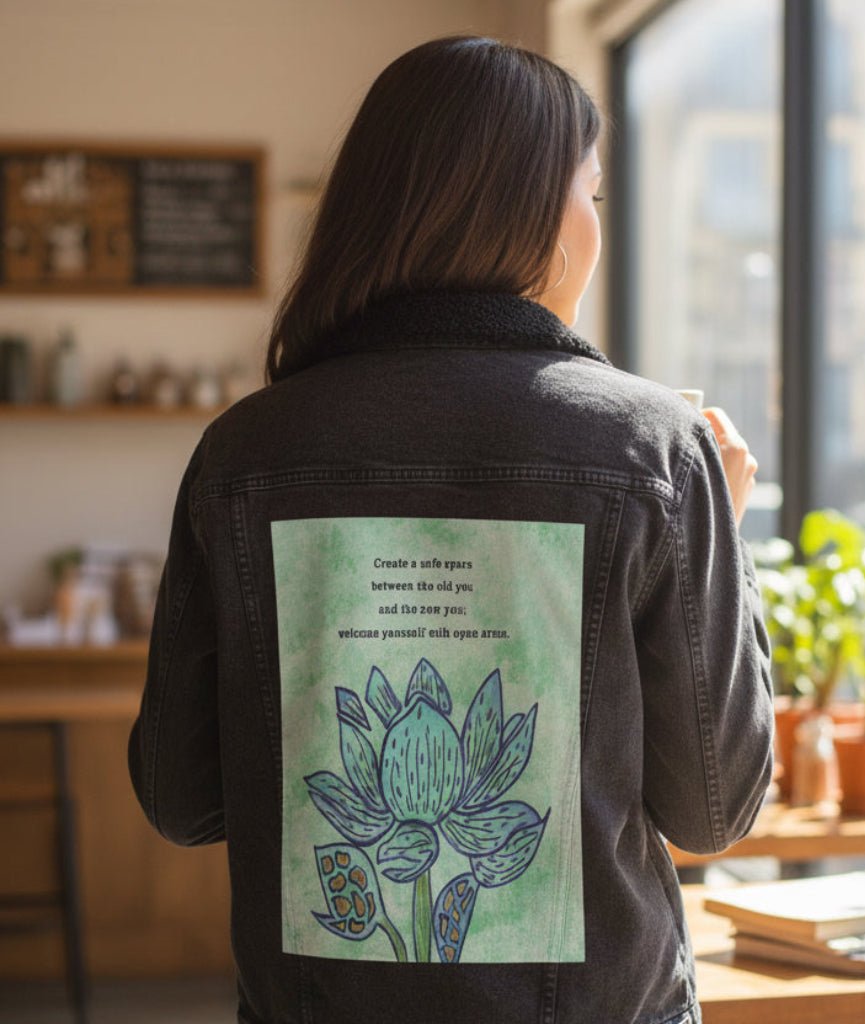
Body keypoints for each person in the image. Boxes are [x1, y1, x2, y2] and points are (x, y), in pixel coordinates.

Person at [129, 35, 773, 1024]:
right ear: (532, 214)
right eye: (592, 194)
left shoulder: (243, 454)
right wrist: (718, 538)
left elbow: (182, 801)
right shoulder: (650, 448)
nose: (597, 227)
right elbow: (714, 809)